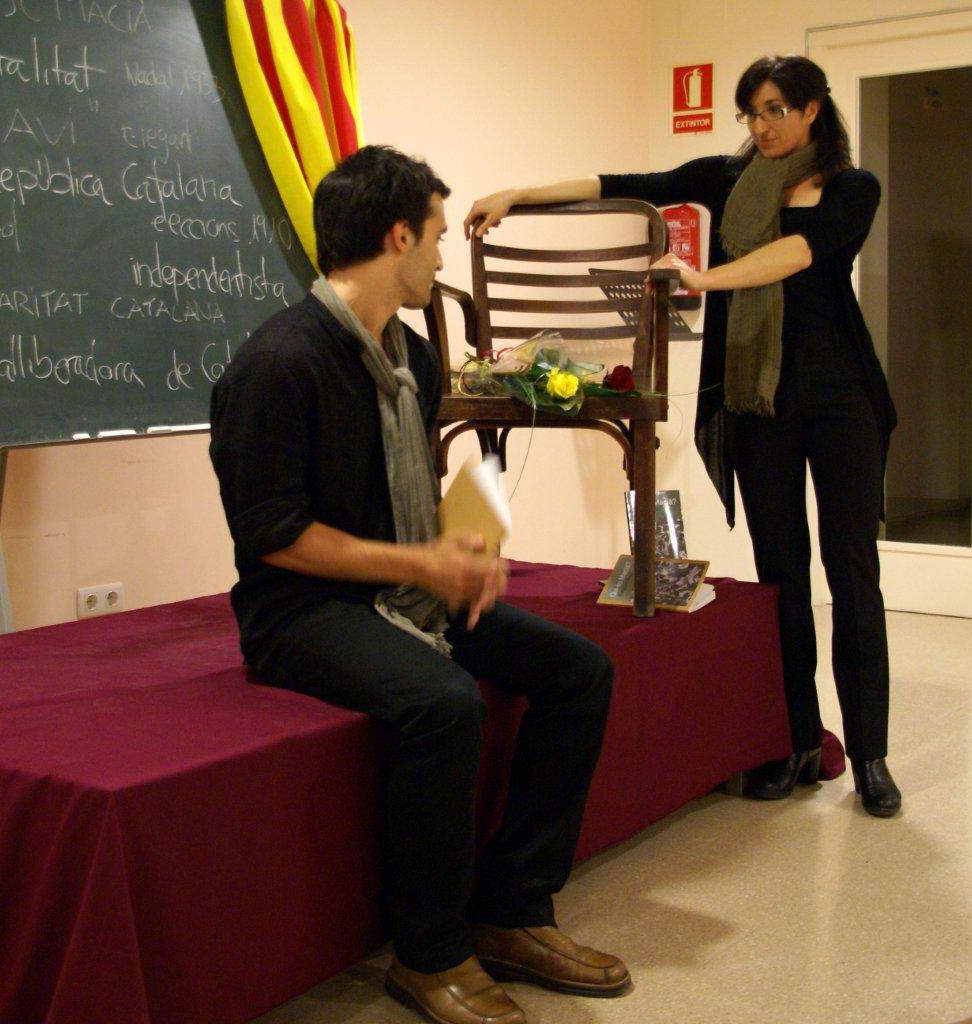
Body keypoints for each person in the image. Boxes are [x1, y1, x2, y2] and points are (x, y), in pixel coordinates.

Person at [210, 145, 629, 1024]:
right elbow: (272, 537)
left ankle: (512, 909)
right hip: (300, 613)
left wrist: (459, 550)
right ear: (399, 236)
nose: (442, 256)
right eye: (437, 236)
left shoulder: (414, 357)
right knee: (444, 702)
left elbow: (404, 494)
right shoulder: (277, 363)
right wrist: (423, 566)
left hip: (402, 588)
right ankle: (429, 953)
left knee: (580, 670)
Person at [465, 55, 900, 818]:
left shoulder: (851, 188)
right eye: (750, 114)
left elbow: (799, 255)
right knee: (781, 576)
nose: (761, 127)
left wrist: (703, 279)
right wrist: (518, 195)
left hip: (841, 400)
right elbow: (622, 182)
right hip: (756, 404)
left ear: (811, 110)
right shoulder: (729, 180)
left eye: (774, 110)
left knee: (852, 571)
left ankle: (870, 756)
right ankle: (796, 740)